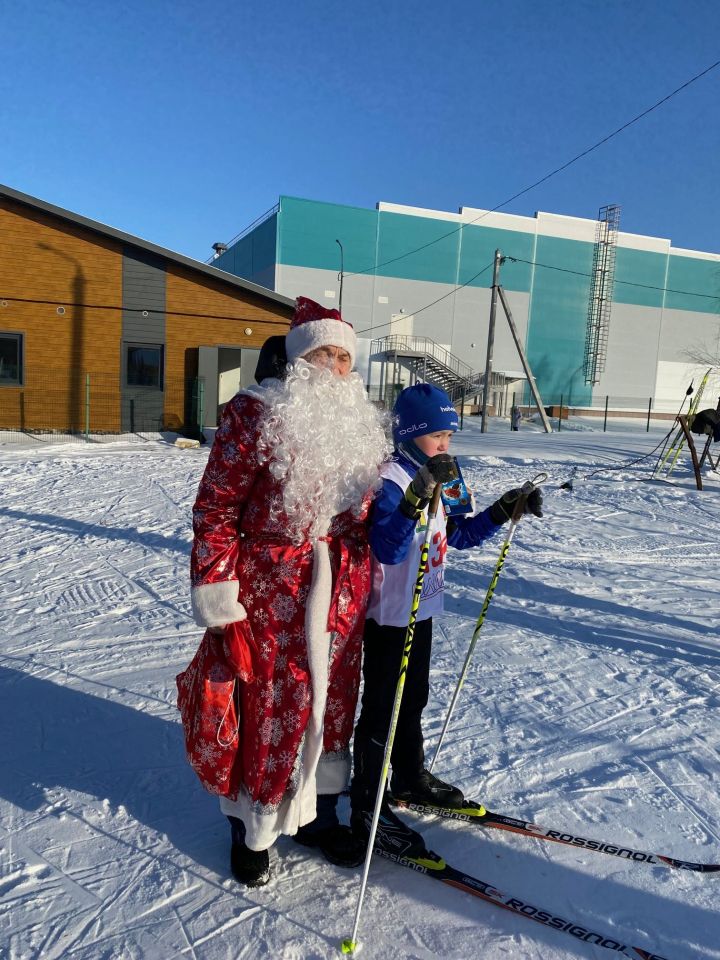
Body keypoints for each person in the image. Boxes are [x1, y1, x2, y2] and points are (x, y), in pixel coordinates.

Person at [189, 297, 389, 886]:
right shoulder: (256, 415)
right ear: (300, 357)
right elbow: (216, 508)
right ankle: (251, 829)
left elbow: (372, 514)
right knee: (267, 704)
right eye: (324, 353)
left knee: (332, 704)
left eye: (344, 358)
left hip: (341, 589)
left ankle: (322, 815)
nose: (335, 367)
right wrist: (220, 592)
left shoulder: (360, 430)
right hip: (267, 588)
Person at [350, 383, 543, 857]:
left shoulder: (446, 473)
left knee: (413, 698)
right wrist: (416, 495)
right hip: (390, 615)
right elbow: (388, 548)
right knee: (382, 710)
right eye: (437, 434)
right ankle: (367, 806)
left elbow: (460, 535)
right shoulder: (392, 478)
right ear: (412, 433)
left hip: (424, 608)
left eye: (450, 435)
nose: (445, 444)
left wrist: (503, 509)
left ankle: (410, 777)